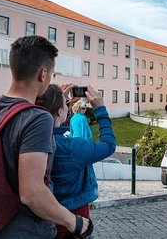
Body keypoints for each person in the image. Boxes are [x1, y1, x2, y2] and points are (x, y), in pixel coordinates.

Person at [0, 35, 90, 238]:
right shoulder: (38, 118)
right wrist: (74, 222)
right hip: (22, 230)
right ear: (43, 74)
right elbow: (32, 193)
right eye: (51, 74)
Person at [37, 84, 116, 239]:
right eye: (64, 105)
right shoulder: (70, 148)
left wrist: (59, 101)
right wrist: (100, 109)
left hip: (43, 215)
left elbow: (52, 125)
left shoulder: (35, 139)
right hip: (73, 218)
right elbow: (109, 145)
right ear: (60, 111)